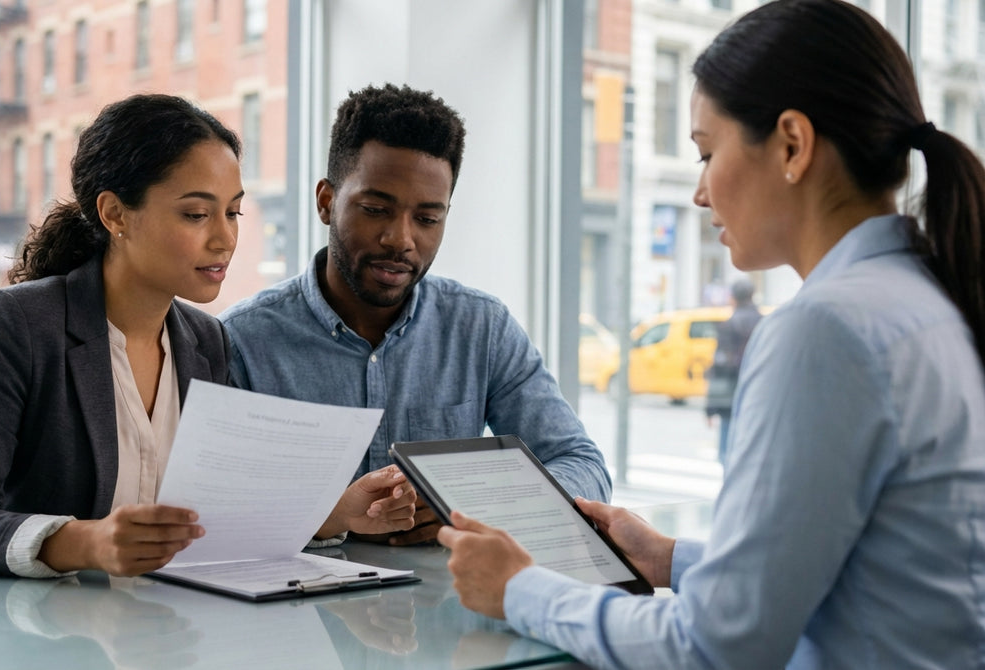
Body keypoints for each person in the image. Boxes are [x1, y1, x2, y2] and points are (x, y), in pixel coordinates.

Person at [436, 1, 985, 667]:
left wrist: (519, 589)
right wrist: (669, 558)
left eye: (706, 153)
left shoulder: (826, 330)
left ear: (792, 145)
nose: (700, 192)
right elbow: (871, 572)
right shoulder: (929, 300)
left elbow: (713, 646)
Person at [0, 94, 416, 578]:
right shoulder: (18, 324)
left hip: (168, 622)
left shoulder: (206, 341)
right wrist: (84, 543)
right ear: (115, 214)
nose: (225, 239)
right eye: (196, 214)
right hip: (40, 625)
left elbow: (221, 517)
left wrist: (335, 513)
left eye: (233, 212)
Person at [219, 83, 612, 546]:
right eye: (375, 209)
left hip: (450, 590)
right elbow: (217, 510)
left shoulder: (481, 328)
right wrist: (329, 514)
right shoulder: (242, 341)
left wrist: (475, 504)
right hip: (299, 593)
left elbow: (583, 467)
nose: (401, 240)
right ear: (326, 202)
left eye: (427, 219)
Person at [704, 277, 762, 466]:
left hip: (730, 397)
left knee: (727, 454)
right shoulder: (765, 323)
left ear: (732, 298)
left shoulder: (728, 326)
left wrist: (711, 408)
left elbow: (720, 367)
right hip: (759, 396)